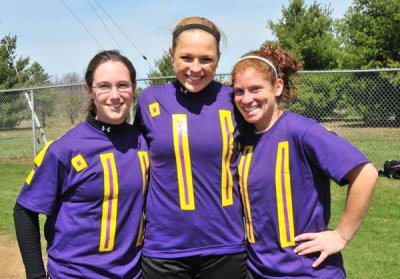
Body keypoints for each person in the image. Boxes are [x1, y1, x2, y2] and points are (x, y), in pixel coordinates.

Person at [231, 44, 378, 278]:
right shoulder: (243, 137)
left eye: (255, 89)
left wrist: (341, 235)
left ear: (277, 86)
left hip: (307, 271)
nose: (247, 99)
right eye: (239, 91)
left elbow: (365, 173)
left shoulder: (301, 130)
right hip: (258, 271)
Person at [13, 50, 149, 279]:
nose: (114, 95)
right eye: (104, 86)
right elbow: (24, 210)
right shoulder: (64, 149)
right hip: (75, 274)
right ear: (89, 89)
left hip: (133, 274)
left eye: (122, 85)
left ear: (133, 88)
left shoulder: (144, 142)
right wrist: (36, 275)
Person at [134, 16, 246, 279]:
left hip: (225, 246)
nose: (195, 68)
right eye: (186, 57)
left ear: (218, 57)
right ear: (171, 54)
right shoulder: (150, 99)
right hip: (164, 250)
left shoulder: (234, 99)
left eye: (206, 59)